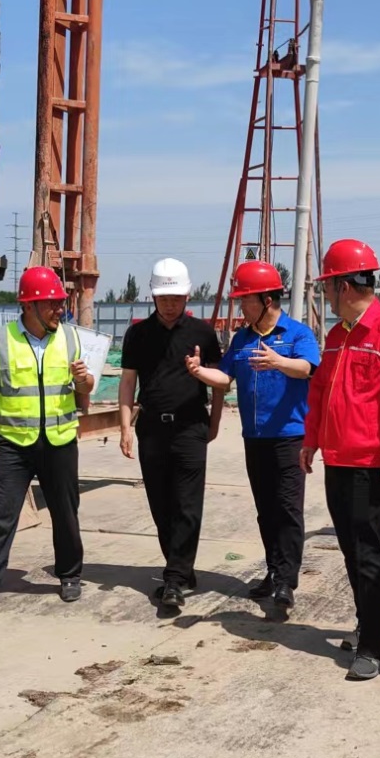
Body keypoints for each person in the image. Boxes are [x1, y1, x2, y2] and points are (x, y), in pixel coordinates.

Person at [300, 239, 380, 681]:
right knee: (351, 549)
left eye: (328, 288)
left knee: (368, 553)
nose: (326, 296)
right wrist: (311, 440)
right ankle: (365, 621)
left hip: (372, 462)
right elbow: (320, 392)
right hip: (338, 458)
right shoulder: (336, 337)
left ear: (344, 286)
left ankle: (373, 646)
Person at [0, 266, 94, 616]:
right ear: (28, 306)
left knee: (65, 513)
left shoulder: (71, 338)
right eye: (51, 303)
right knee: (1, 516)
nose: (59, 309)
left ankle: (70, 574)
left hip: (59, 441)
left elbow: (85, 391)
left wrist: (84, 379)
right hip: (13, 445)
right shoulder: (1, 340)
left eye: (60, 302)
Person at [185, 261, 320, 614]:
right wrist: (200, 372)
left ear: (267, 300)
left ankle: (286, 581)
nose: (241, 307)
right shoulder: (242, 339)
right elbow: (225, 377)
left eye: (246, 300)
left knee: (288, 510)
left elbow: (307, 368)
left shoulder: (297, 334)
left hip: (290, 437)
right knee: (266, 510)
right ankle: (274, 571)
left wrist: (278, 361)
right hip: (254, 438)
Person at [119, 258, 224, 614]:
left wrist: (215, 423)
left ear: (187, 295)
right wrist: (124, 426)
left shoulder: (202, 333)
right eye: (163, 298)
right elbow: (128, 382)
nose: (169, 304)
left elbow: (220, 382)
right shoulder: (137, 335)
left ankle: (175, 579)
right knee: (161, 505)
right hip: (151, 429)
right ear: (153, 296)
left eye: (176, 297)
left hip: (190, 427)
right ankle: (180, 565)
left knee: (187, 505)